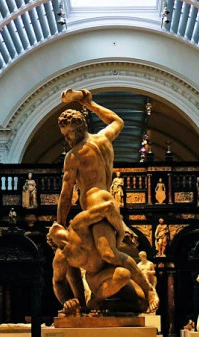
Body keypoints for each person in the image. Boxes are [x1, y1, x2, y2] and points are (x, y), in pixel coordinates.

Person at [53, 88, 156, 314]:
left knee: (108, 254)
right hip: (107, 200)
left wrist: (59, 223)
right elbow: (117, 121)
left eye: (69, 134)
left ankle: (148, 290)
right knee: (106, 257)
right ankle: (107, 298)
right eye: (65, 135)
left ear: (79, 128)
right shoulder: (103, 138)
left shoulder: (73, 156)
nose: (67, 139)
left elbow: (66, 194)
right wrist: (90, 104)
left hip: (95, 206)